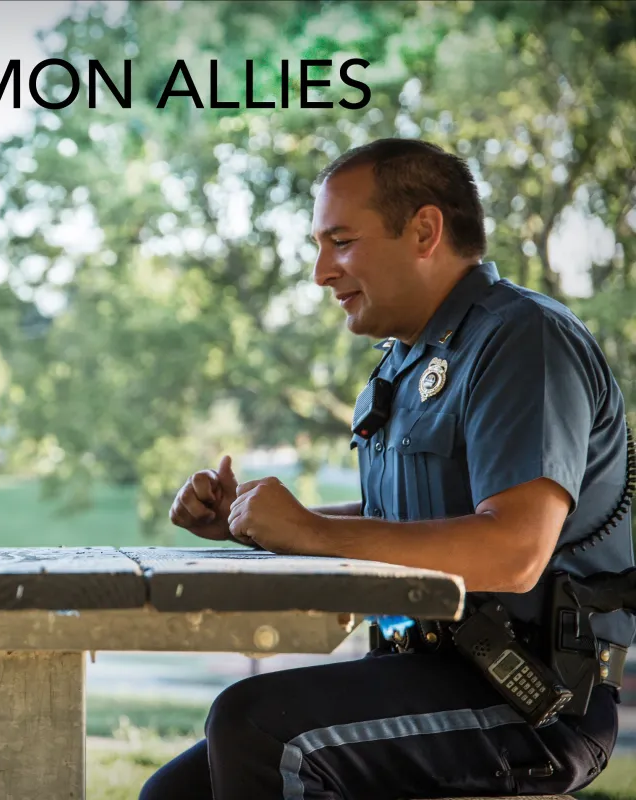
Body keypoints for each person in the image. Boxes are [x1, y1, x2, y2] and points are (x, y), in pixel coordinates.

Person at [143, 138, 633, 799]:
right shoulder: (404, 363)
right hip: (425, 673)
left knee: (260, 727)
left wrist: (311, 533)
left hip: (533, 699)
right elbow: (396, 526)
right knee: (175, 793)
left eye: (340, 242)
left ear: (425, 230)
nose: (320, 271)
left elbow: (513, 548)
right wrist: (259, 526)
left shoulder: (523, 339)